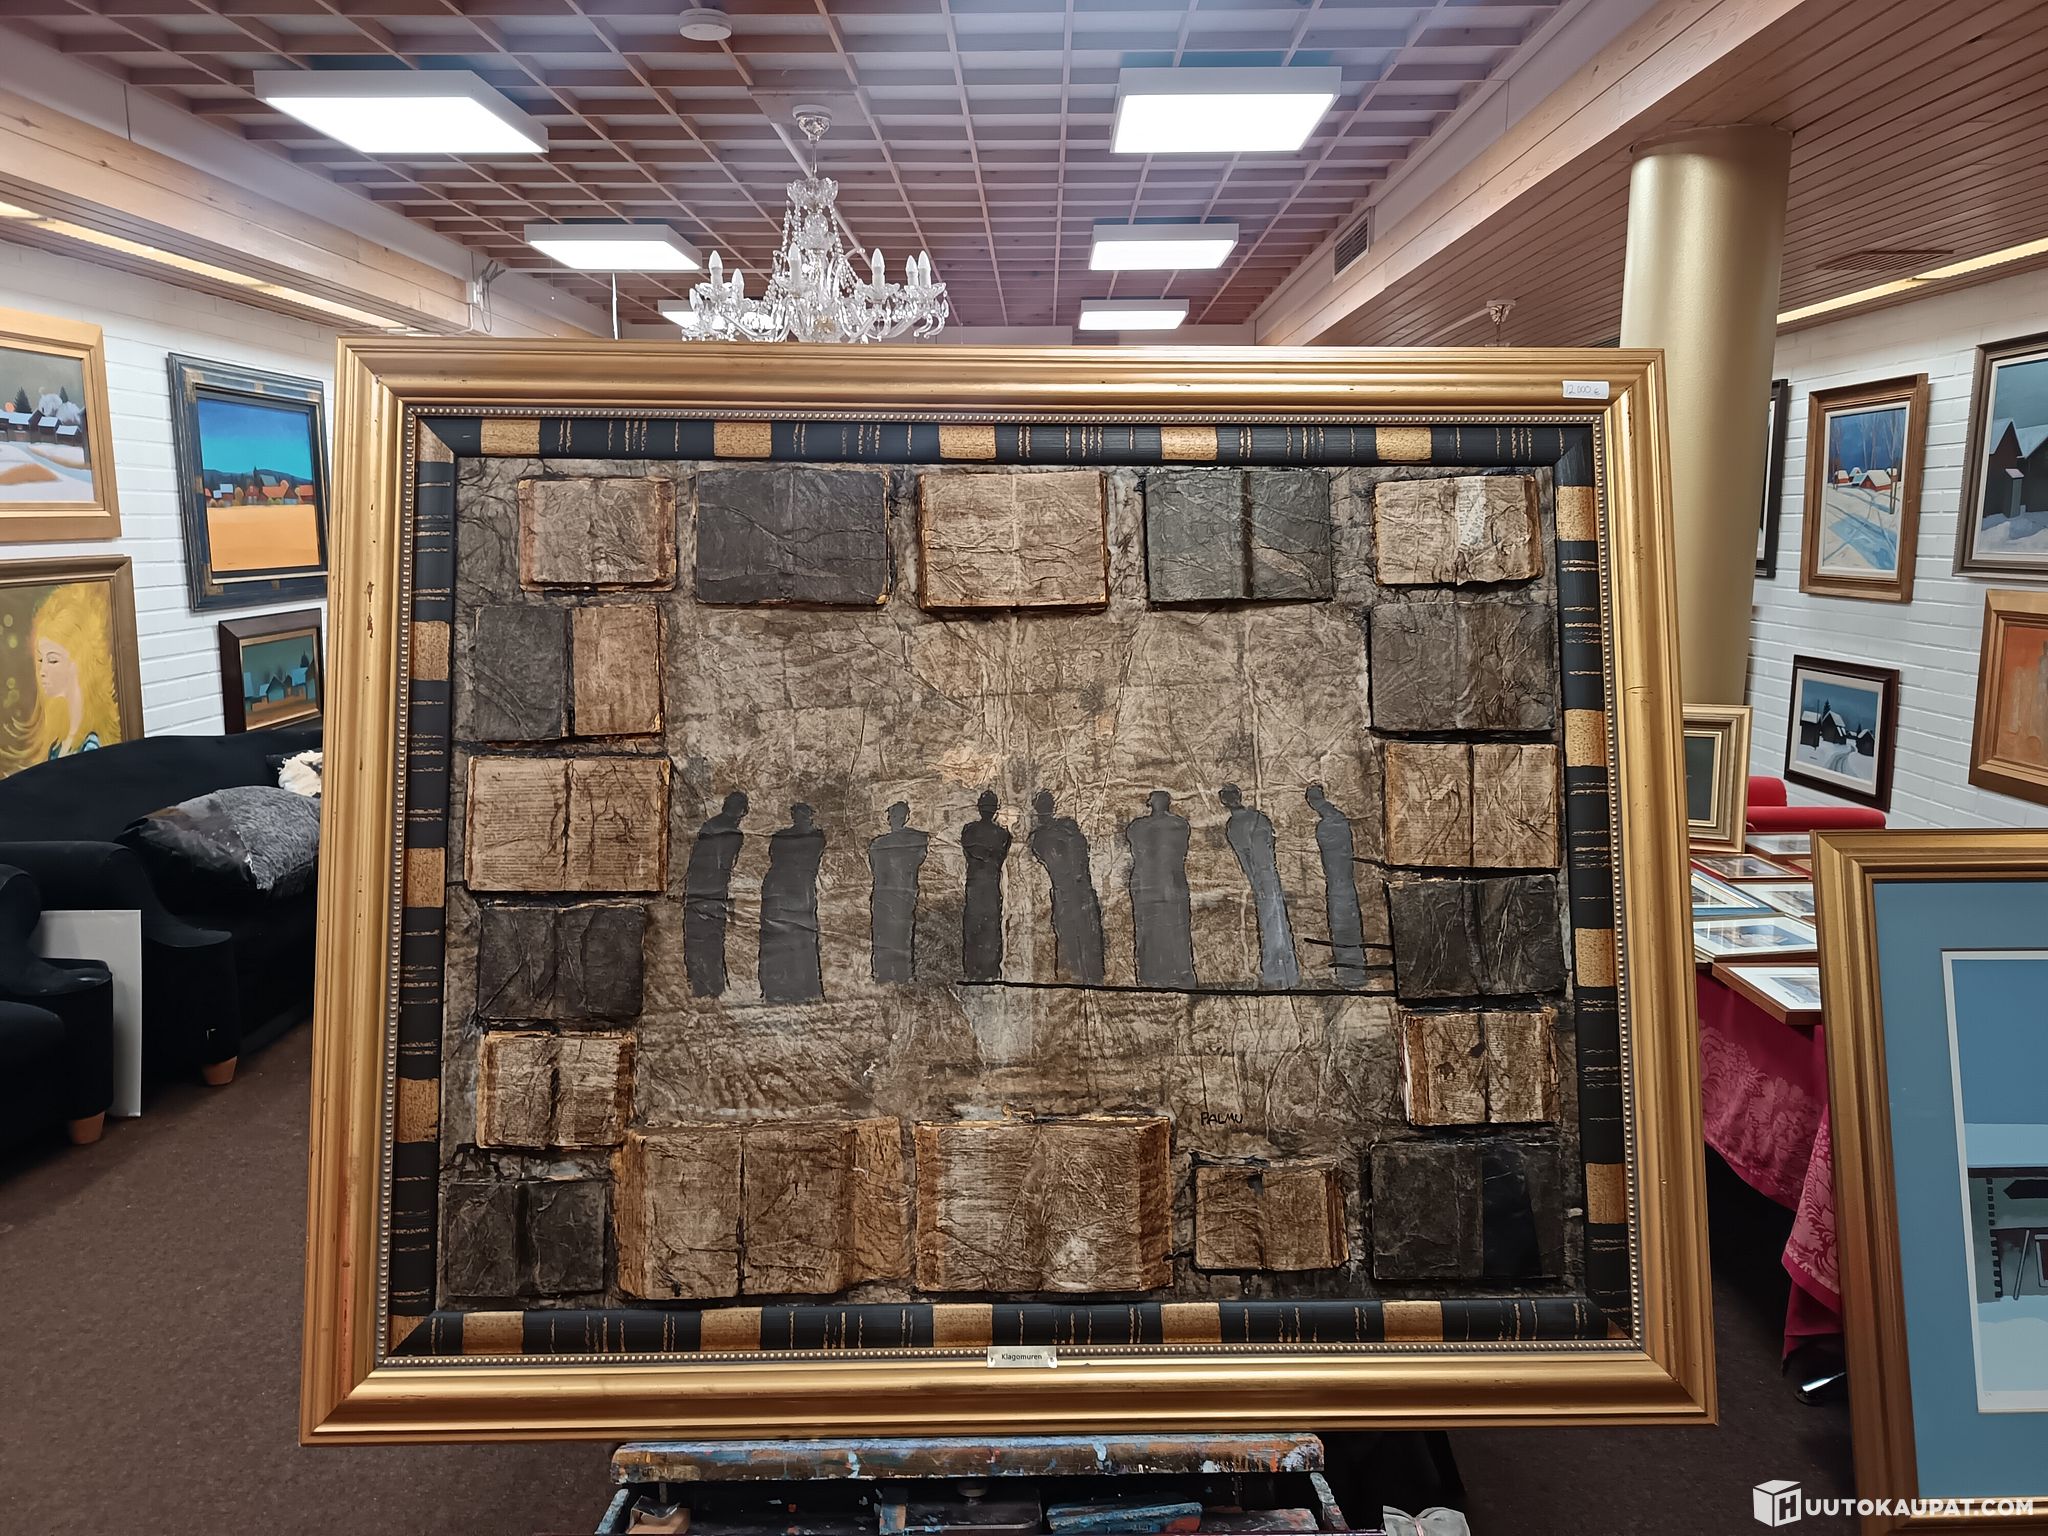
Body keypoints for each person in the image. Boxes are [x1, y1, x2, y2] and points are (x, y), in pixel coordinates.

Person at [0, 582, 119, 776]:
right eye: (40, 660)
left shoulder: (91, 747)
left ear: (79, 663)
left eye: (53, 660)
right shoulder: (58, 745)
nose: (42, 671)